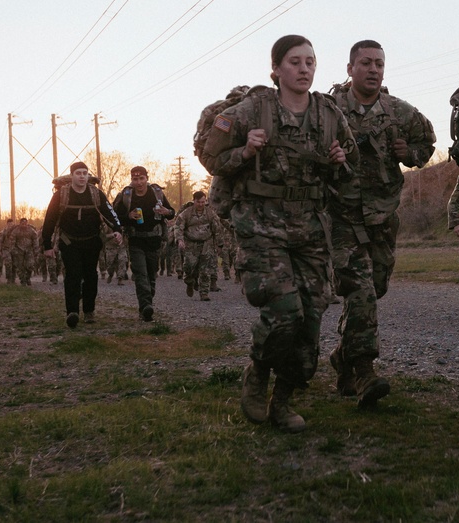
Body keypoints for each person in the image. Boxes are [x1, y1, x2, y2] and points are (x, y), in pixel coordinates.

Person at [199, 34, 357, 432]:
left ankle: (283, 400)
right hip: (262, 227)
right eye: (294, 62)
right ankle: (257, 373)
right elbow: (210, 155)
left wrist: (339, 160)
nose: (304, 69)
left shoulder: (329, 113)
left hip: (309, 230)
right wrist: (245, 152)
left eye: (310, 62)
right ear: (275, 70)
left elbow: (347, 161)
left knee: (310, 323)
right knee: (285, 313)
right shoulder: (251, 110)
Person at [326, 39, 437, 408]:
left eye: (379, 64)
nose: (373, 70)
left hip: (382, 219)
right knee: (360, 291)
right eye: (366, 63)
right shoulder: (328, 109)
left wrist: (412, 154)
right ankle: (362, 370)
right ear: (349, 69)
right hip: (340, 217)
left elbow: (427, 142)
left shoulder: (398, 111)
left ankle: (343, 357)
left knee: (376, 287)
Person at [42, 161, 123, 327]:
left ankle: (89, 311)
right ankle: (72, 312)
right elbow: (49, 219)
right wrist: (47, 245)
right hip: (69, 242)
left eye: (84, 173)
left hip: (92, 242)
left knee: (90, 277)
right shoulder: (61, 195)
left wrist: (118, 229)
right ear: (72, 176)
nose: (81, 176)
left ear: (88, 176)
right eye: (78, 173)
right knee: (72, 275)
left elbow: (110, 212)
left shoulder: (96, 194)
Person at [113, 166, 176, 321]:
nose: (139, 182)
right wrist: (128, 216)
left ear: (147, 178)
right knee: (140, 274)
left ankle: (148, 302)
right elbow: (115, 216)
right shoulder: (126, 195)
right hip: (136, 241)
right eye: (135, 179)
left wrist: (166, 212)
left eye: (142, 179)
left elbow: (171, 212)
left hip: (154, 241)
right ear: (131, 180)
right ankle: (145, 306)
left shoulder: (156, 193)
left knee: (151, 274)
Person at [174, 191, 225, 303]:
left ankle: (204, 293)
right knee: (188, 267)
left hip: (207, 244)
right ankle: (189, 282)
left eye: (203, 202)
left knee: (205, 270)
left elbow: (217, 229)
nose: (201, 204)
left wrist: (219, 244)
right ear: (194, 201)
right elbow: (178, 227)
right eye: (198, 202)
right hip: (191, 244)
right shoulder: (186, 213)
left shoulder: (210, 213)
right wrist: (180, 240)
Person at [9, 217, 40, 285]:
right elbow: (12, 241)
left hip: (29, 250)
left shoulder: (31, 231)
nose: (24, 225)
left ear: (27, 223)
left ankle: (27, 278)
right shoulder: (15, 231)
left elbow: (35, 240)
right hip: (19, 250)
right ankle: (22, 280)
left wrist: (36, 249)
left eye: (25, 223)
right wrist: (13, 250)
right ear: (20, 223)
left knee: (30, 265)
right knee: (20, 266)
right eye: (22, 223)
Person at [0, 217, 16, 283]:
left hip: (14, 249)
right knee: (8, 263)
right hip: (6, 249)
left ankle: (13, 279)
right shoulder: (3, 232)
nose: (11, 225)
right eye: (9, 224)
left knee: (14, 264)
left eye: (12, 224)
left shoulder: (16, 231)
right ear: (7, 224)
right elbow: (0, 242)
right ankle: (9, 278)